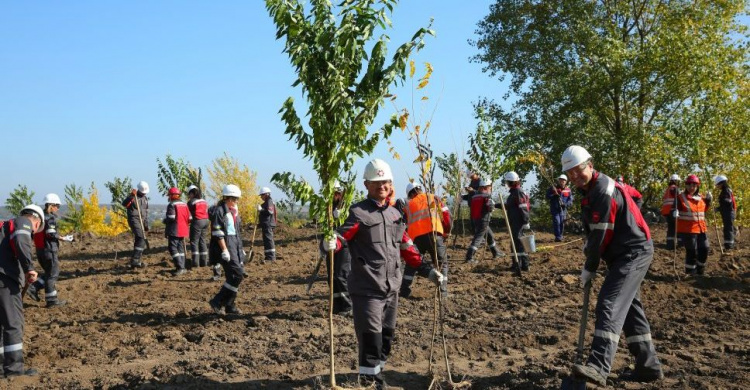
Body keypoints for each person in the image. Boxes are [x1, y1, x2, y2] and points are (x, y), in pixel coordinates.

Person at [322, 158, 444, 389]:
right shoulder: (358, 213)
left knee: (386, 338)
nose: (382, 186)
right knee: (371, 339)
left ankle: (377, 374)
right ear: (367, 185)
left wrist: (428, 271)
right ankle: (371, 382)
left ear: (391, 183)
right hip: (367, 290)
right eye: (376, 182)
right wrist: (329, 243)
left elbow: (407, 247)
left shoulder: (395, 215)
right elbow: (340, 238)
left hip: (392, 289)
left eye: (385, 181)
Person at [561, 145, 662, 386]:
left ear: (590, 165)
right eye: (570, 173)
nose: (575, 176)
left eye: (579, 170)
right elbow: (633, 196)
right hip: (622, 253)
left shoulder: (602, 191)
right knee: (629, 309)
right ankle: (648, 367)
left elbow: (600, 235)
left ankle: (598, 366)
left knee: (609, 302)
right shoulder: (594, 189)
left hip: (633, 252)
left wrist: (590, 266)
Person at [0, 205, 43, 377]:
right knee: (13, 323)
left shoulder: (4, 227)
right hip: (5, 279)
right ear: (36, 221)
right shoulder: (23, 222)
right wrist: (29, 268)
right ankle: (14, 371)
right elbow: (21, 241)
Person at [399, 182, 451, 298]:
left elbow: (405, 224)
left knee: (412, 263)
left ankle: (404, 291)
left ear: (411, 194)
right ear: (419, 189)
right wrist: (446, 231)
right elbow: (446, 214)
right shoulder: (433, 198)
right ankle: (442, 292)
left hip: (416, 238)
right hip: (434, 235)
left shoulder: (408, 205)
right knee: (441, 263)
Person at [28, 193, 73, 307]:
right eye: (57, 206)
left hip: (40, 249)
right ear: (51, 205)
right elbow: (51, 234)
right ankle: (51, 301)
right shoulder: (50, 218)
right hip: (49, 250)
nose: (58, 208)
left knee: (49, 272)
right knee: (53, 274)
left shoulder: (39, 217)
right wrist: (64, 238)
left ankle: (34, 287)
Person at [208, 184, 247, 315]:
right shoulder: (220, 211)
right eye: (234, 199)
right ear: (227, 198)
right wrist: (224, 250)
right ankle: (217, 301)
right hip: (226, 245)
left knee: (234, 276)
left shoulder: (232, 212)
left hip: (234, 244)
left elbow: (236, 232)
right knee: (237, 274)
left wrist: (240, 249)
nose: (236, 202)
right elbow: (218, 233)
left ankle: (229, 305)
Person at [324, 181, 352, 315]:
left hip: (344, 245)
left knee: (341, 276)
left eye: (335, 194)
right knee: (332, 276)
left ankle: (347, 306)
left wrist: (342, 216)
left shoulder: (346, 207)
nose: (333, 196)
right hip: (331, 245)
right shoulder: (329, 207)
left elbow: (350, 228)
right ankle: (336, 306)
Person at [675, 174, 711, 275]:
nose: (692, 187)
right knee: (692, 252)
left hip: (701, 229)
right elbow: (674, 209)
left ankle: (700, 270)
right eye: (689, 185)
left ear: (697, 186)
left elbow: (703, 211)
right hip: (687, 230)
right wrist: (674, 211)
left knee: (704, 249)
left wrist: (708, 202)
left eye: (694, 185)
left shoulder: (701, 198)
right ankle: (690, 272)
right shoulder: (680, 198)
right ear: (686, 185)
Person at [465, 179, 504, 263]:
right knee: (478, 238)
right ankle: (469, 256)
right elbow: (490, 208)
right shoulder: (486, 196)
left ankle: (496, 252)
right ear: (486, 187)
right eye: (490, 187)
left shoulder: (475, 196)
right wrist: (492, 208)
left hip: (476, 219)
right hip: (483, 220)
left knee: (489, 236)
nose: (490, 188)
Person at [502, 172, 531, 271]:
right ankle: (521, 265)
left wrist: (526, 221)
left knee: (518, 243)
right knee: (517, 243)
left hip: (518, 222)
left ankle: (520, 265)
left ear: (511, 182)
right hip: (515, 221)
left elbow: (523, 208)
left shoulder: (518, 192)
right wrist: (496, 205)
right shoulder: (514, 192)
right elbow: (508, 206)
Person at [122, 181, 150, 269]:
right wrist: (131, 196)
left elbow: (145, 212)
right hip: (134, 219)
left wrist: (146, 225)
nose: (143, 193)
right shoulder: (133, 197)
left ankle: (136, 261)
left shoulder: (145, 199)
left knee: (139, 239)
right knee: (141, 238)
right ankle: (135, 259)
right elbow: (124, 204)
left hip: (141, 220)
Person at [164, 187, 190, 276]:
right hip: (183, 229)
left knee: (173, 248)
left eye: (170, 195)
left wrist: (165, 220)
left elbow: (171, 218)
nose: (169, 197)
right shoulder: (184, 204)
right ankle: (182, 266)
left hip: (174, 229)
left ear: (173, 195)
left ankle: (180, 267)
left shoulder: (171, 205)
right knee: (180, 248)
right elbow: (190, 218)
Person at [186, 185, 210, 268]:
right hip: (206, 221)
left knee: (194, 241)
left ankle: (195, 262)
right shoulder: (204, 201)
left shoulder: (191, 202)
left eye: (189, 194)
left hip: (197, 221)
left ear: (192, 193)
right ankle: (204, 262)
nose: (188, 196)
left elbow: (188, 214)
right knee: (202, 241)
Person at [546, 174, 573, 242]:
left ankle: (560, 236)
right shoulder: (553, 188)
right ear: (559, 181)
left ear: (566, 181)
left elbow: (570, 200)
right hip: (555, 209)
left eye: (563, 180)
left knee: (561, 223)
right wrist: (554, 195)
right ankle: (557, 237)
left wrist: (566, 204)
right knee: (557, 222)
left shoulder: (568, 190)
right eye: (561, 180)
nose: (562, 181)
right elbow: (547, 196)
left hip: (563, 210)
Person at [714, 175, 737, 251]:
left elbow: (728, 203)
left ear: (722, 183)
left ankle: (729, 246)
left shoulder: (726, 191)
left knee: (728, 229)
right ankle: (729, 244)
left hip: (729, 212)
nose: (717, 186)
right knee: (728, 228)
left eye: (718, 184)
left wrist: (718, 208)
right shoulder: (726, 190)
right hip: (728, 212)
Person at [661, 174, 681, 249]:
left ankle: (670, 245)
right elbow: (678, 197)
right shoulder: (674, 188)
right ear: (676, 181)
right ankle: (681, 245)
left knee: (671, 228)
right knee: (679, 227)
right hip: (673, 211)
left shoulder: (668, 189)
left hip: (667, 212)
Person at [258, 187, 277, 262]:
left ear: (266, 194)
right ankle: (268, 256)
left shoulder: (269, 201)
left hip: (268, 224)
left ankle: (271, 257)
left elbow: (269, 212)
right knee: (266, 240)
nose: (261, 197)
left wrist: (261, 210)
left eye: (262, 195)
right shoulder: (267, 202)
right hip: (266, 224)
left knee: (269, 240)